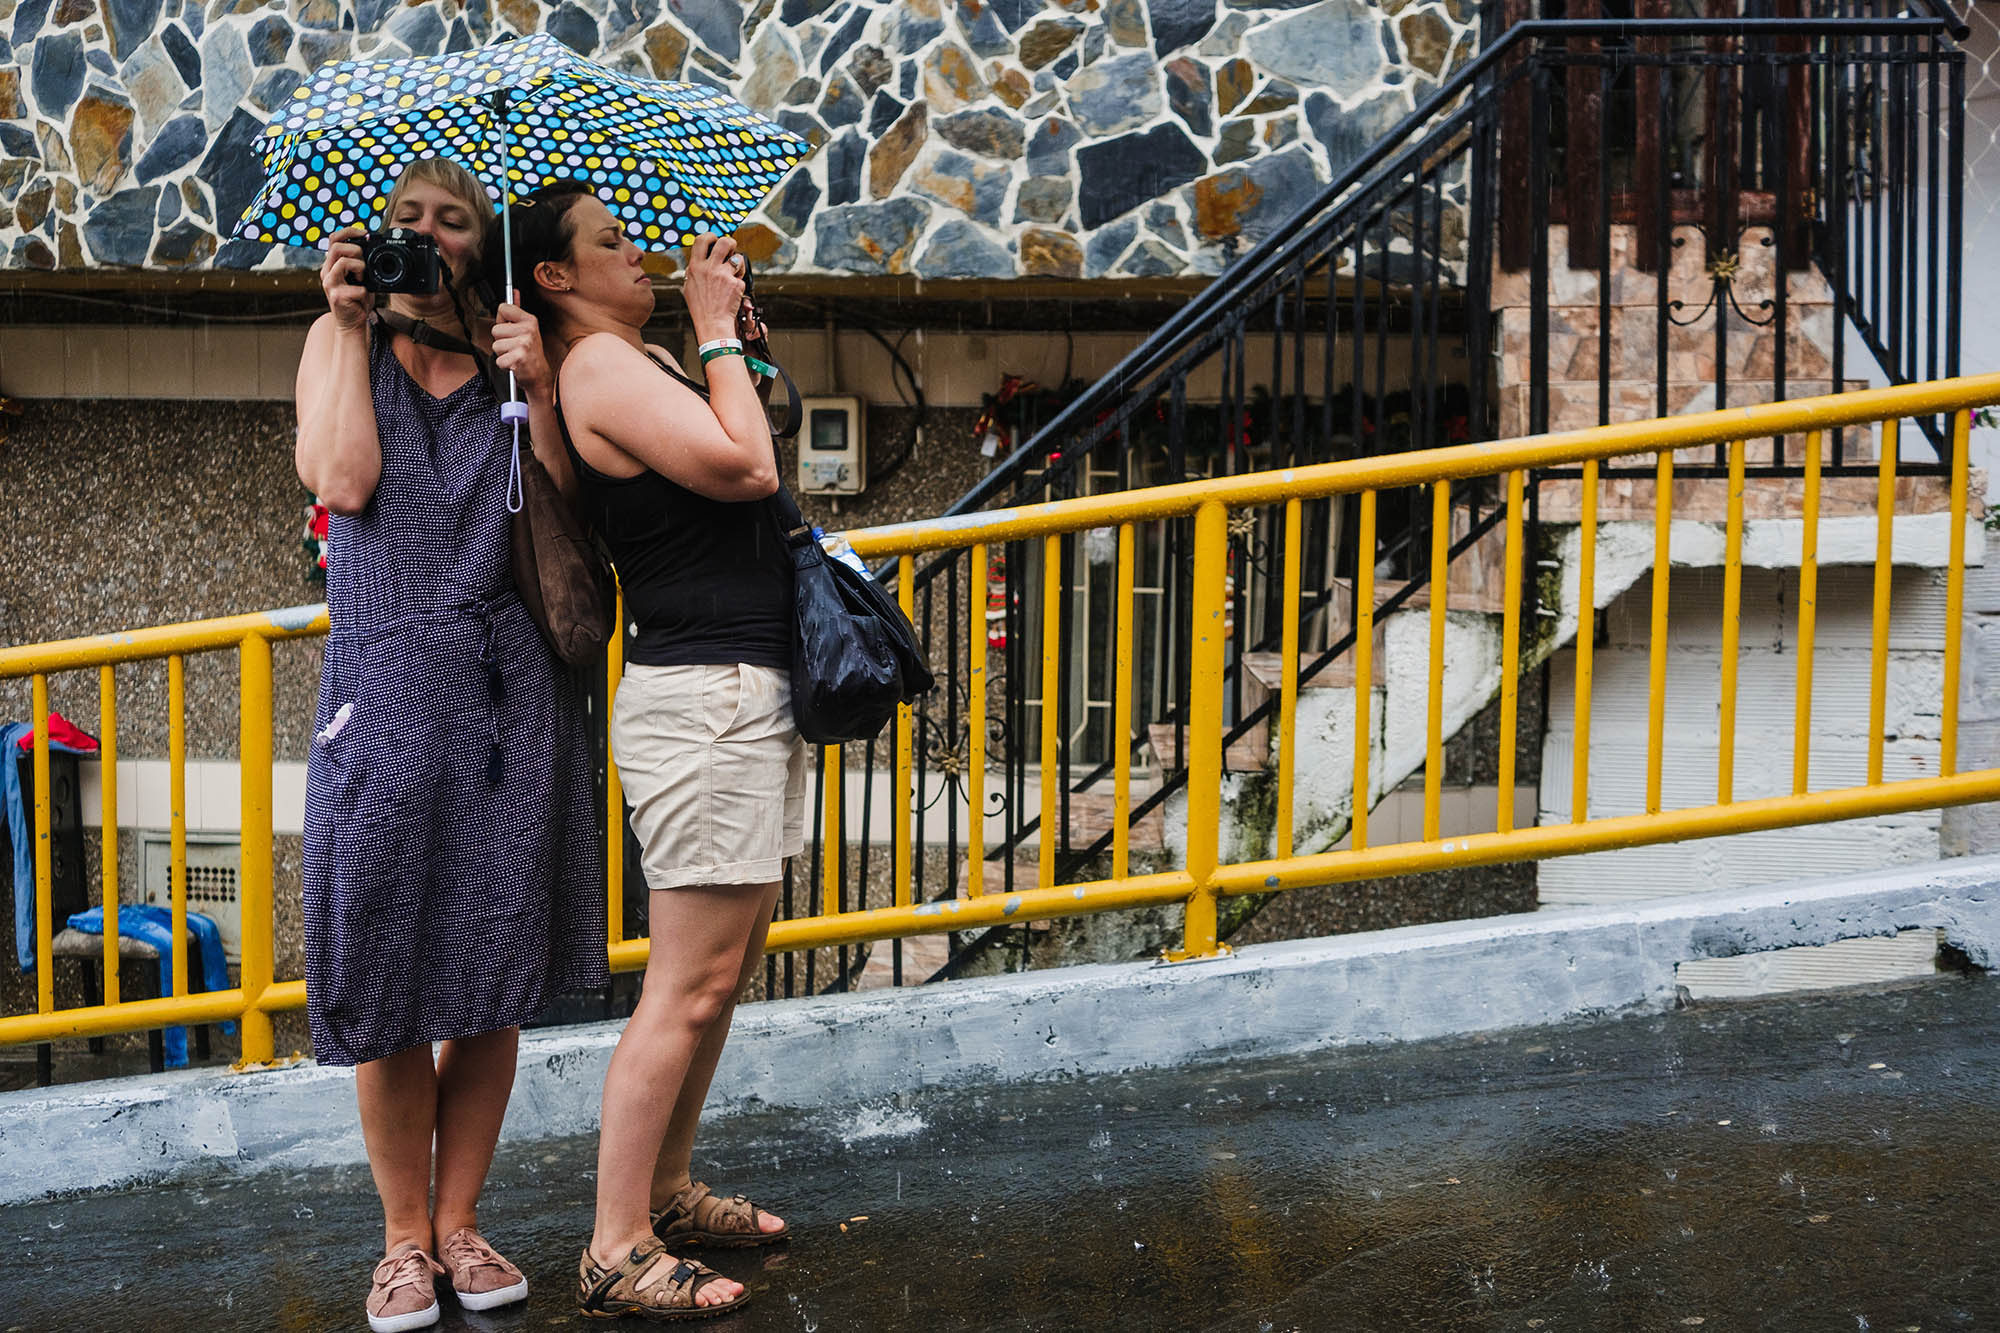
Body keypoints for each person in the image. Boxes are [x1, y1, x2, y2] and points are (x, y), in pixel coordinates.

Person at [294, 156, 608, 1333]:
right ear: (383, 237)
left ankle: (462, 1223)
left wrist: (539, 380)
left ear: (480, 243)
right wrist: (342, 323)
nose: (429, 236)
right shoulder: (343, 342)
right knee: (384, 981)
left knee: (487, 979)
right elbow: (343, 477)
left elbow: (573, 513)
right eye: (409, 221)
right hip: (382, 689)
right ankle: (400, 1244)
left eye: (454, 222)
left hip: (504, 698)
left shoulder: (521, 360)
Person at [499, 179, 797, 1322]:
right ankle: (615, 1246)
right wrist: (714, 331)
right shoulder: (601, 368)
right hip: (702, 697)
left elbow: (759, 441)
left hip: (738, 685)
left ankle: (667, 1191)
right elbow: (747, 470)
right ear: (557, 278)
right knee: (686, 980)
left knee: (723, 970)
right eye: (611, 244)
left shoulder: (639, 361)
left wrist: (741, 348)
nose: (642, 258)